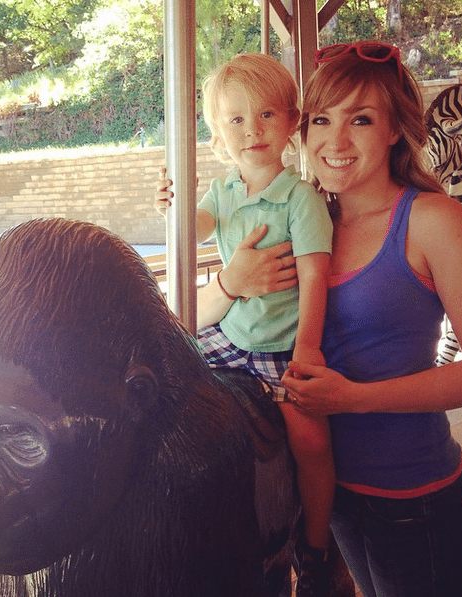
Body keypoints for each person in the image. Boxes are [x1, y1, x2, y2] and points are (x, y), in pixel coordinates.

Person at [203, 42, 462, 597]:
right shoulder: (305, 213)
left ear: (395, 128)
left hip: (413, 499)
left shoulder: (431, 219)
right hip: (332, 499)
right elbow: (189, 321)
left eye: (360, 119)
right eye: (321, 120)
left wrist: (352, 399)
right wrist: (229, 281)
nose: (334, 141)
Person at [154, 52, 335, 597]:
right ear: (218, 134)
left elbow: (315, 278)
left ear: (291, 122)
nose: (252, 130)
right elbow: (195, 226)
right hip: (230, 335)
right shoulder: (224, 191)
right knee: (164, 382)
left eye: (266, 115)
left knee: (310, 439)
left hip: (279, 346)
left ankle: (316, 543)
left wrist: (307, 348)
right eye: (236, 119)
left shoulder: (300, 199)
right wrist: (174, 206)